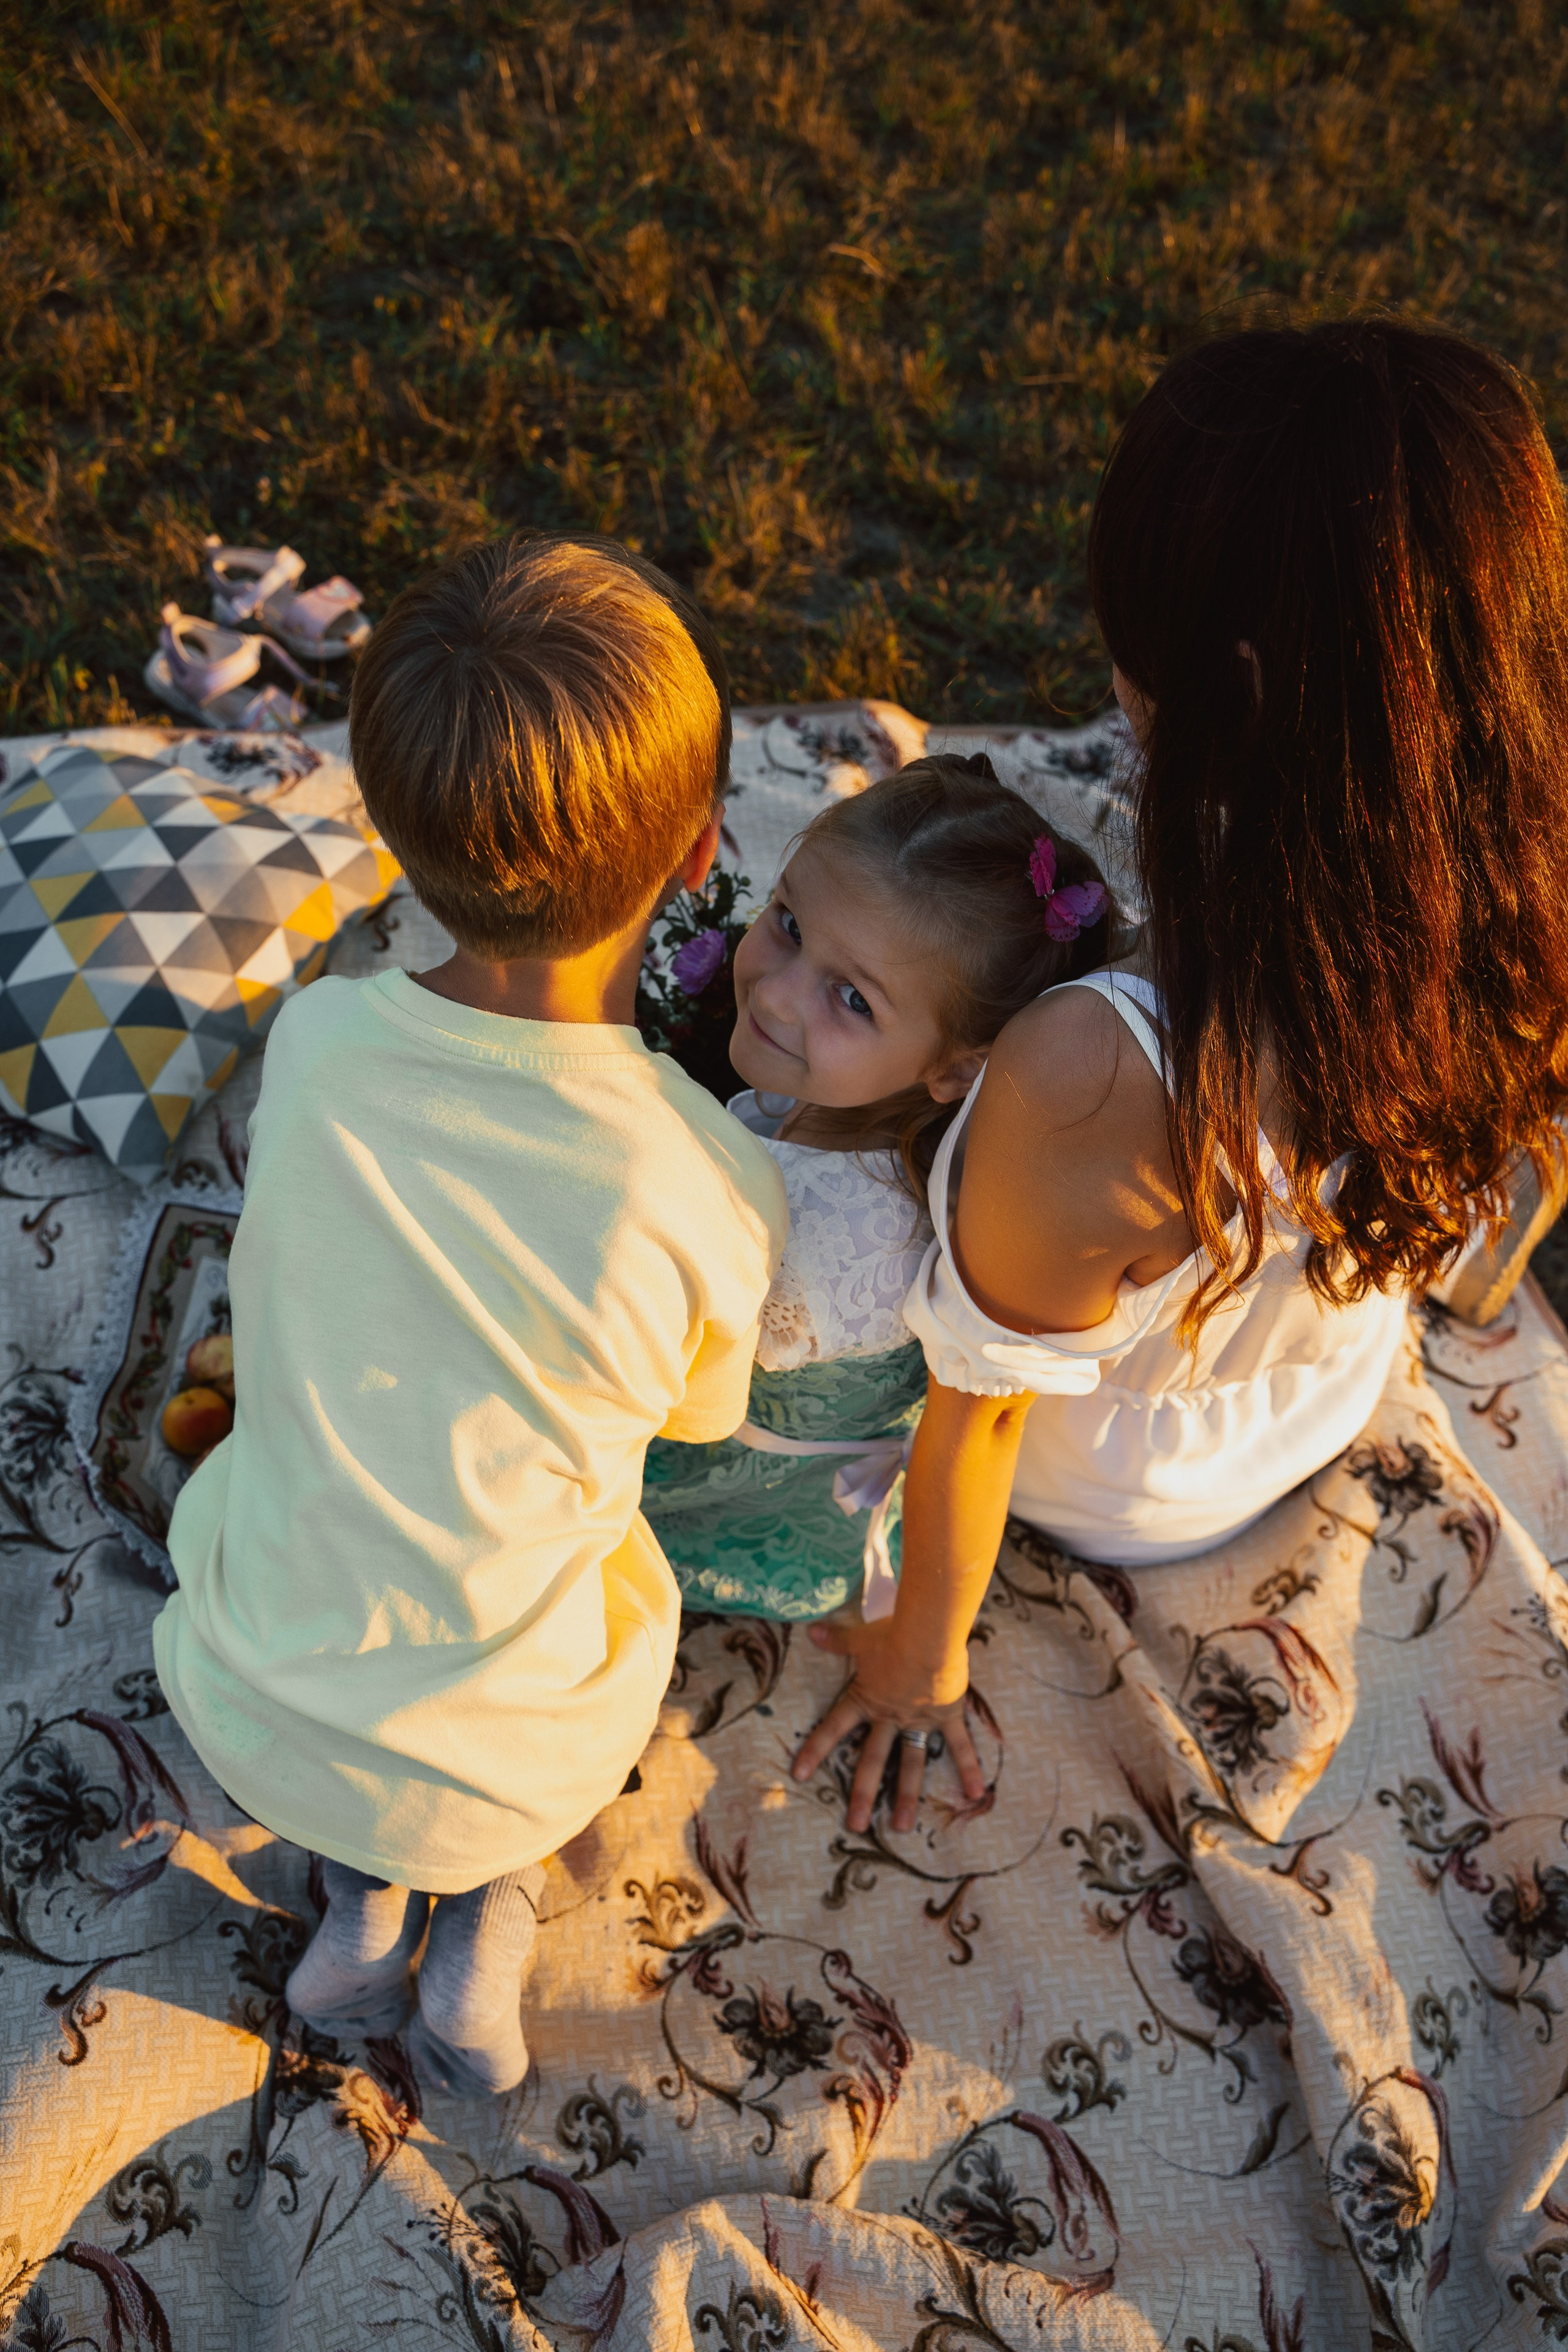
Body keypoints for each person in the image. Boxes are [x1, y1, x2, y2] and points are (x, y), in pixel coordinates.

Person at [793, 318, 1568, 1836]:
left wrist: (912, 1666)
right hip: (1328, 1381)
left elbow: (981, 1418)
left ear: (1227, 689)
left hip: (1128, 1492)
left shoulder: (1097, 1067)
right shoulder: (1525, 879)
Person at [153, 535, 788, 2095]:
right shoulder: (699, 1181)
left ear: (383, 827)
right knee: (611, 1588)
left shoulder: (312, 1043)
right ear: (702, 848)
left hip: (257, 1690)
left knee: (302, 1503)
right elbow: (697, 1420)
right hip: (506, 1753)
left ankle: (362, 1912)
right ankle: (487, 1915)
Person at [641, 756, 1110, 1622]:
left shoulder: (825, 1236)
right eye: (787, 922)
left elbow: (652, 1369)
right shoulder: (850, 1101)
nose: (777, 997)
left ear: (956, 1067)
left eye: (851, 998)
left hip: (752, 1504)